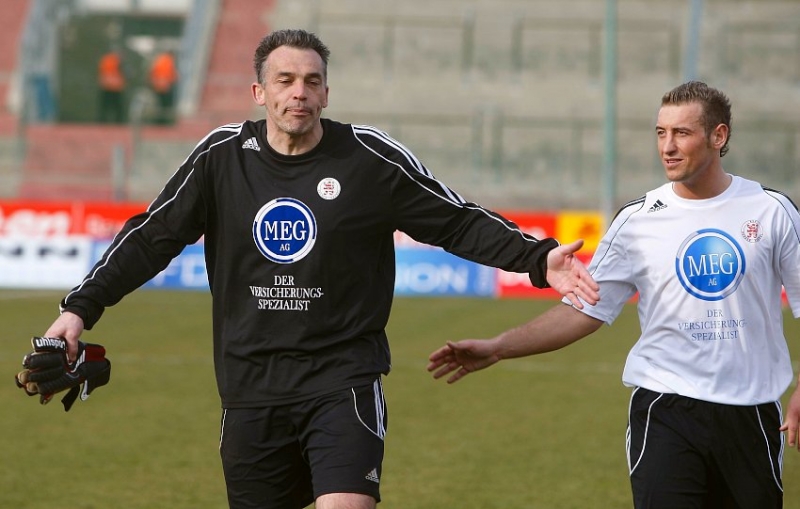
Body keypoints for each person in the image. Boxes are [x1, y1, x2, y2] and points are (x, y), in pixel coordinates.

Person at [38, 29, 599, 509]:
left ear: (326, 92)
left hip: (342, 379)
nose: (299, 93)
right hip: (249, 386)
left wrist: (536, 258)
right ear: (259, 92)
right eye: (284, 80)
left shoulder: (369, 159)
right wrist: (78, 310)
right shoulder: (219, 158)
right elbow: (150, 237)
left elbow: (454, 220)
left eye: (311, 81)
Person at [428, 81, 800, 508]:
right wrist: (498, 347)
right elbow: (583, 310)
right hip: (665, 408)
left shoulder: (772, 211)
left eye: (682, 133)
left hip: (752, 413)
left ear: (719, 136)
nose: (667, 147)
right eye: (660, 133)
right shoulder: (637, 221)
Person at [149, 49, 179, 124]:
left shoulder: (158, 60)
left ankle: (158, 120)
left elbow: (152, 72)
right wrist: (174, 79)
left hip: (158, 86)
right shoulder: (169, 61)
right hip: (166, 86)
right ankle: (166, 121)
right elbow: (172, 74)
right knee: (167, 105)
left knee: (159, 104)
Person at [97, 48, 126, 123]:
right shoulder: (112, 61)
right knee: (112, 106)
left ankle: (104, 121)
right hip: (111, 87)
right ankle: (112, 122)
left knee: (109, 107)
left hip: (111, 87)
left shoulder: (108, 60)